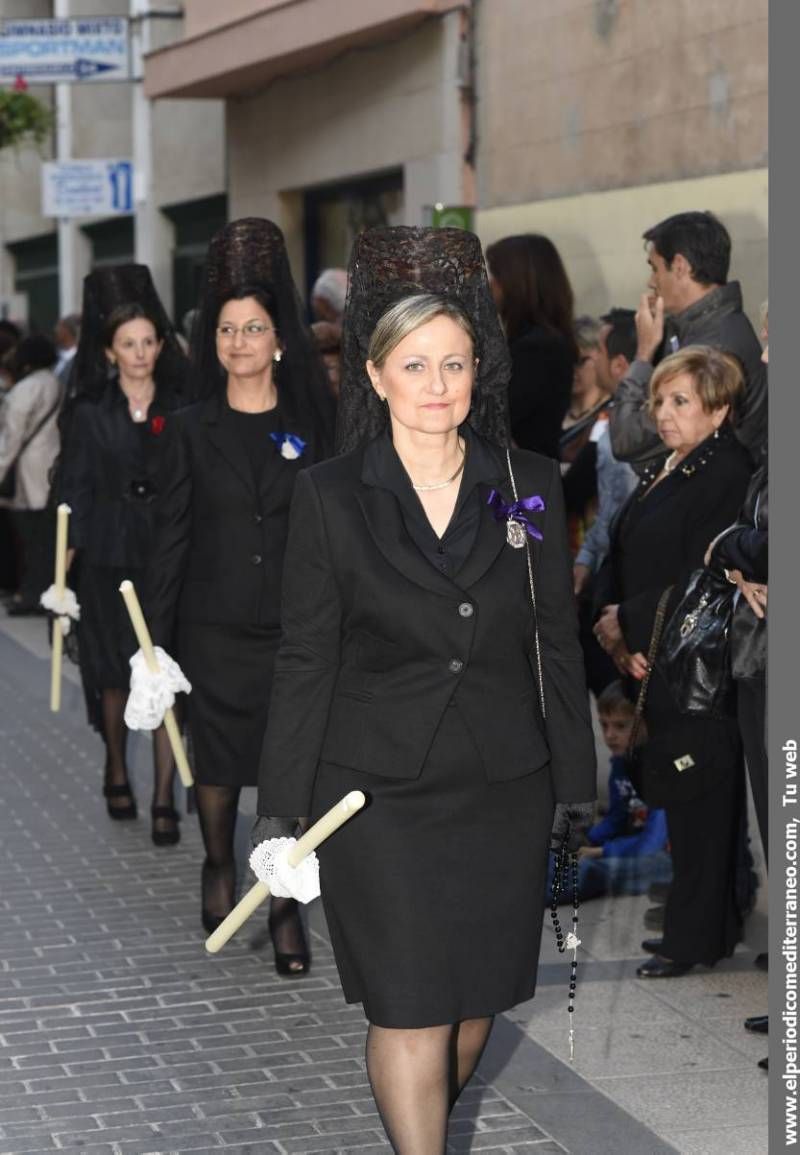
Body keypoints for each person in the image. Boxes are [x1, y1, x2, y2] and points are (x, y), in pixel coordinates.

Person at [253, 226, 596, 1152]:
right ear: (376, 375)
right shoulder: (330, 495)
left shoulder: (525, 483)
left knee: (473, 1009)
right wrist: (280, 809)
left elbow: (554, 644)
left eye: (453, 363)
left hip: (501, 787)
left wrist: (577, 780)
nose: (437, 385)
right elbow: (306, 656)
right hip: (377, 794)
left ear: (476, 369)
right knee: (409, 1009)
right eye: (416, 365)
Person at [144, 219, 335, 971]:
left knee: (287, 777)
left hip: (294, 633)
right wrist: (154, 645)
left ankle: (284, 906)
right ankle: (218, 863)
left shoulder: (309, 428)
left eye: (253, 327)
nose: (239, 340)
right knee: (220, 769)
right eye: (226, 328)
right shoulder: (190, 430)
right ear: (213, 341)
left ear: (278, 340)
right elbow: (171, 536)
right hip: (214, 629)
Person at [594, 345, 753, 978]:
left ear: (718, 409)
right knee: (685, 795)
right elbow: (625, 543)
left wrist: (628, 621)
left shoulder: (726, 470)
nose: (663, 412)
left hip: (695, 660)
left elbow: (703, 572)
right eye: (660, 400)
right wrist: (612, 623)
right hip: (653, 650)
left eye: (680, 401)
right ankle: (709, 923)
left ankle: (695, 938)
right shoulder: (673, 464)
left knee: (701, 799)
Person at [56, 265, 189, 844]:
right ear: (110, 353)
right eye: (127, 344)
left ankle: (164, 793)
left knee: (163, 673)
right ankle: (116, 765)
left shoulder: (182, 405)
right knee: (113, 675)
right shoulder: (90, 411)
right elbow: (76, 487)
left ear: (161, 345)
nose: (139, 353)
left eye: (147, 342)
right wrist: (64, 567)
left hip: (165, 554)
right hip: (108, 556)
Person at [608, 211, 766, 471]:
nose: (651, 282)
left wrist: (644, 353)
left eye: (654, 268)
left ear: (680, 266)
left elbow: (627, 440)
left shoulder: (711, 351)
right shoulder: (714, 327)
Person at [547, 681, 670, 903]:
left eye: (621, 726)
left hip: (667, 856)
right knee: (564, 851)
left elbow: (653, 843)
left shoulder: (662, 768)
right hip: (638, 841)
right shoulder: (621, 764)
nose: (610, 735)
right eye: (604, 726)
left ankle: (556, 886)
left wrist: (604, 851)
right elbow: (617, 817)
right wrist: (587, 840)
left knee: (594, 870)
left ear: (645, 723)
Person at [485, 233, 577, 459]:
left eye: (494, 275)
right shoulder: (537, 342)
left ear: (515, 282)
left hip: (523, 483)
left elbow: (492, 416)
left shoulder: (537, 349)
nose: (488, 284)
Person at [573, 308, 638, 594]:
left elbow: (621, 503)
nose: (593, 358)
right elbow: (609, 501)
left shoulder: (636, 428)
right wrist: (587, 557)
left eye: (597, 351)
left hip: (622, 575)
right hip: (601, 565)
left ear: (619, 365)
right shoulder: (614, 418)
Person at [0, 335, 61, 613]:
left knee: (27, 539)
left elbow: (11, 439)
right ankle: (42, 592)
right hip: (50, 466)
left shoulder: (25, 390)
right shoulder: (54, 382)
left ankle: (30, 594)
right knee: (46, 538)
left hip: (27, 472)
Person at [53, 313, 80, 391]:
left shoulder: (80, 360)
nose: (55, 330)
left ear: (67, 330)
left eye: (59, 327)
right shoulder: (54, 357)